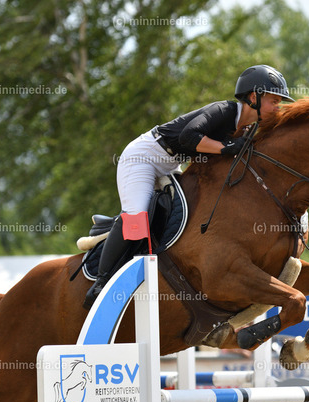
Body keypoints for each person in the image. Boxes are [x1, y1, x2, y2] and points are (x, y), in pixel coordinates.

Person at [83, 65, 294, 309]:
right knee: (137, 216)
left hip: (172, 164)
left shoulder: (249, 128)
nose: (278, 107)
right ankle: (101, 281)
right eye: (274, 101)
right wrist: (226, 148)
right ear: (253, 98)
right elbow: (188, 136)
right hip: (143, 158)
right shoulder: (224, 111)